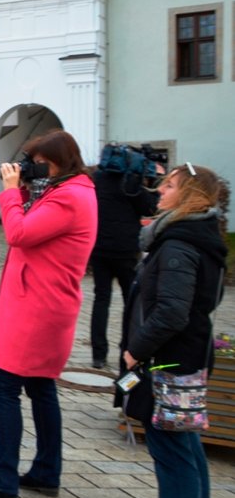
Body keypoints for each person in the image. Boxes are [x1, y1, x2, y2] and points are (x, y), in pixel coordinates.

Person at [0, 129, 97, 498]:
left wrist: (8, 190)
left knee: (4, 388)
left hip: (37, 307)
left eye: (36, 160)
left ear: (53, 161)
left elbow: (18, 233)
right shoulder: (70, 191)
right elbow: (35, 229)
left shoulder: (69, 197)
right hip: (41, 302)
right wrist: (22, 193)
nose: (30, 167)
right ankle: (45, 471)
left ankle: (3, 480)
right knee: (40, 388)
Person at [121, 163, 226, 498]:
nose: (159, 191)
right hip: (184, 353)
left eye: (169, 186)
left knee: (171, 444)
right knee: (185, 438)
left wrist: (136, 350)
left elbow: (171, 312)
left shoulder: (181, 244)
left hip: (170, 358)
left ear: (189, 196)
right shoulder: (197, 237)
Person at [89, 150, 159, 369]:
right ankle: (126, 350)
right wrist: (150, 183)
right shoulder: (132, 180)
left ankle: (98, 355)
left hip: (98, 247)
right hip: (126, 250)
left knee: (101, 298)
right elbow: (149, 208)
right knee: (132, 302)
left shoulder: (97, 179)